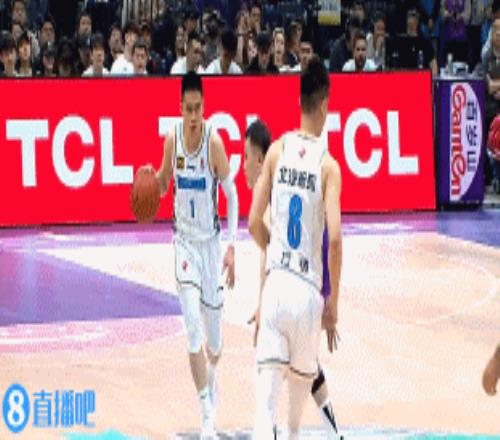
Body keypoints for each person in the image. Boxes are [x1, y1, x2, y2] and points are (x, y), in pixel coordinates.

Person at [249, 56, 342, 440]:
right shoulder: (328, 166)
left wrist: (274, 254)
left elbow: (253, 221)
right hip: (307, 296)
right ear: (324, 105)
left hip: (276, 288)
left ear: (299, 100)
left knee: (264, 415)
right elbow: (334, 238)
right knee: (293, 427)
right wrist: (333, 303)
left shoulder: (276, 151)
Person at [152, 72, 238, 438]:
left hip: (211, 246)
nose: (192, 116)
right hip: (184, 243)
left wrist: (232, 246)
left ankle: (211, 375)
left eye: (197, 109)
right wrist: (150, 182)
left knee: (214, 343)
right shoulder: (172, 138)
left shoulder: (213, 143)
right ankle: (206, 416)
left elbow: (232, 195)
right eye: (187, 109)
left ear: (204, 107)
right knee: (192, 332)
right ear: (180, 108)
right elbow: (162, 184)